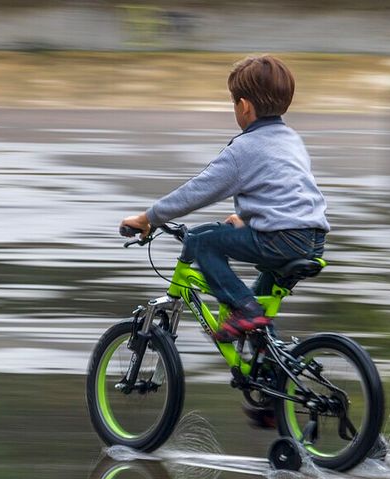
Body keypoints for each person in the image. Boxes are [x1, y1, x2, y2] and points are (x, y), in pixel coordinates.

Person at [120, 55, 329, 342]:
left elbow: (197, 191)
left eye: (234, 103)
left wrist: (148, 218)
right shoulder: (291, 138)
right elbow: (285, 189)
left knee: (202, 242)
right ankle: (270, 366)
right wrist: (247, 219)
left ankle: (244, 309)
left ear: (243, 107)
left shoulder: (244, 148)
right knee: (261, 307)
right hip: (312, 238)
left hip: (281, 238)